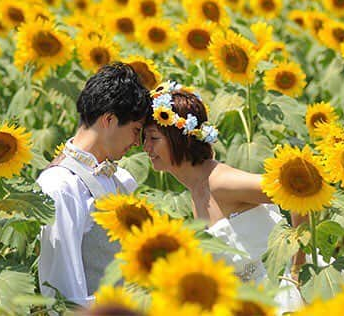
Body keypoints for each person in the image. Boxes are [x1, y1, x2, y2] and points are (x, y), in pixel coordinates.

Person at [142, 81, 304, 313]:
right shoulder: (196, 191)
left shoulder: (219, 182)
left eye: (153, 138)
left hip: (280, 298)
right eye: (144, 139)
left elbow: (299, 192)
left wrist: (299, 269)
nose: (146, 147)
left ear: (183, 137)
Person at [37, 62, 151, 307]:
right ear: (109, 119)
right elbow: (63, 292)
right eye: (135, 130)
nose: (137, 142)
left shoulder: (120, 177)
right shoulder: (60, 185)